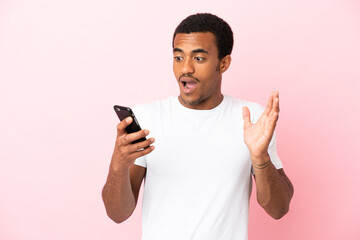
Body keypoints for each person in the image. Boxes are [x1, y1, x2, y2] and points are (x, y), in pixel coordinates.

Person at [102, 13, 294, 240]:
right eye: (178, 57)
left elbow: (278, 209)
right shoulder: (147, 119)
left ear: (223, 63)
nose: (186, 69)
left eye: (199, 58)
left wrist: (260, 157)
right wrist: (118, 164)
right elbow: (118, 214)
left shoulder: (252, 119)